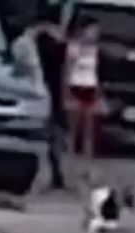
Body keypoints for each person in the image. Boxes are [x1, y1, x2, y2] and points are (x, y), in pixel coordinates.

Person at [33, 20, 68, 190]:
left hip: (53, 95)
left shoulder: (43, 43)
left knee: (54, 137)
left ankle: (57, 174)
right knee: (53, 136)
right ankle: (56, 174)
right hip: (51, 95)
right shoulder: (48, 45)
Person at [64, 19, 103, 167]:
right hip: (76, 86)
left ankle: (88, 159)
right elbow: (67, 70)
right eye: (92, 30)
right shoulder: (74, 47)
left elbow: (96, 72)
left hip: (90, 87)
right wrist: (66, 93)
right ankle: (69, 156)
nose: (94, 34)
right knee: (73, 126)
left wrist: (99, 93)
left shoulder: (95, 49)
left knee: (89, 126)